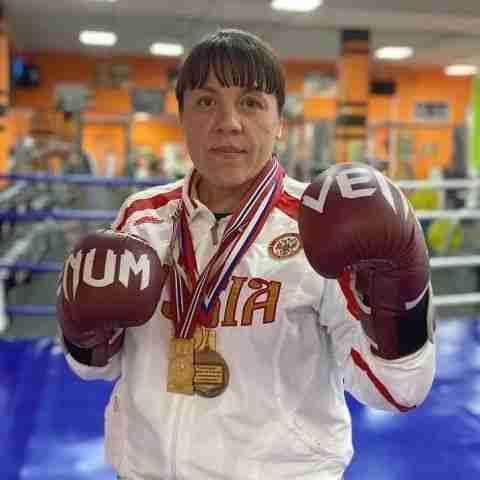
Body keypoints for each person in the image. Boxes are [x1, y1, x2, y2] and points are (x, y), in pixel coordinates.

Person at [57, 28, 436, 480]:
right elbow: (97, 367)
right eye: (206, 102)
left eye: (251, 102)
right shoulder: (142, 217)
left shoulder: (317, 224)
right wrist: (83, 334)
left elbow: (397, 390)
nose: (229, 122)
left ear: (279, 123)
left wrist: (400, 301)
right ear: (182, 117)